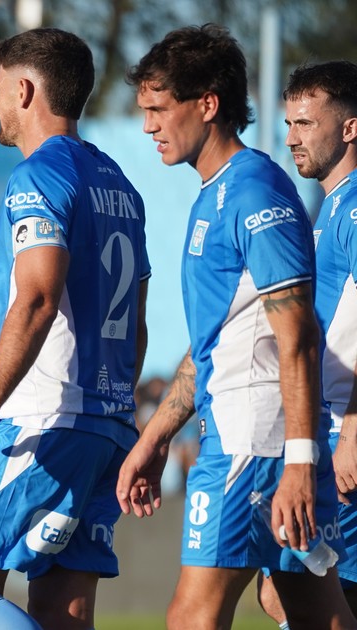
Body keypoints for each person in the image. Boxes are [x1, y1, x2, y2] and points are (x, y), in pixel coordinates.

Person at [116, 25, 357, 629]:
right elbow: (215, 343)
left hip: (256, 441)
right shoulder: (219, 192)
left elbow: (297, 334)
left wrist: (300, 460)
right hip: (259, 436)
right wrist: (156, 436)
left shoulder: (254, 191)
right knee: (313, 613)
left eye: (158, 109)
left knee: (192, 618)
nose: (148, 126)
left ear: (207, 104)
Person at [0, 28, 149, 629]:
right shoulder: (121, 186)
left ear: (24, 90)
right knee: (61, 613)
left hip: (44, 420)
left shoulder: (39, 176)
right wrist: (116, 412)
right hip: (106, 423)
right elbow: (137, 325)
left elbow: (39, 297)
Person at [259, 60, 357, 628]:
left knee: (303, 592)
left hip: (345, 435)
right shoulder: (329, 206)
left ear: (349, 128)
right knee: (289, 592)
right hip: (327, 432)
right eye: (288, 124)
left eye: (305, 123)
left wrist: (353, 433)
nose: (292, 138)